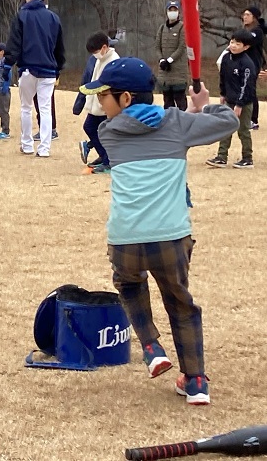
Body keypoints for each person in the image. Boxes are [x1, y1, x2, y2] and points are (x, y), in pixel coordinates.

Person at [79, 57, 239, 405]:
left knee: (129, 283)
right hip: (171, 236)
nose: (99, 103)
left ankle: (151, 345)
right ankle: (196, 382)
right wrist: (201, 106)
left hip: (126, 239)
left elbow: (142, 126)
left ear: (124, 99)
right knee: (181, 303)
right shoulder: (178, 123)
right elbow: (228, 122)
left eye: (104, 95)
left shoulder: (108, 132)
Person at [4, 0, 65, 158]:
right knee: (45, 109)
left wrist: (8, 64)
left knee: (26, 107)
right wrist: (59, 67)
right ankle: (45, 148)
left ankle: (27, 144)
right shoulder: (53, 18)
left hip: (28, 68)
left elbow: (15, 43)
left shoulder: (22, 15)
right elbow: (59, 47)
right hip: (48, 69)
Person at [206, 29, 256, 169]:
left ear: (246, 47)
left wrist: (239, 104)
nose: (233, 45)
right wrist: (222, 94)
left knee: (243, 130)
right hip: (229, 99)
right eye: (232, 42)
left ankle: (247, 158)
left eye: (237, 43)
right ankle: (221, 157)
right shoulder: (226, 58)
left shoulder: (247, 64)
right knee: (225, 128)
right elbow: (223, 77)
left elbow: (247, 85)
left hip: (244, 103)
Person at [74, 31, 119, 172]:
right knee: (90, 127)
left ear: (104, 47)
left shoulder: (113, 60)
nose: (95, 54)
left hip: (105, 105)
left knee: (101, 131)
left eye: (96, 51)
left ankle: (108, 160)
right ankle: (104, 156)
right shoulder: (101, 59)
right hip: (96, 103)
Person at [155, 1, 188, 110]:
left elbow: (181, 47)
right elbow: (157, 46)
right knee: (167, 102)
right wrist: (161, 60)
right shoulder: (162, 28)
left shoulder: (182, 27)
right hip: (164, 73)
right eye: (170, 10)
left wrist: (169, 60)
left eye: (175, 10)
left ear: (178, 12)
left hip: (178, 72)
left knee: (180, 102)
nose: (172, 12)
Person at [241, 6, 265, 130]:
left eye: (248, 15)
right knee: (242, 89)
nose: (245, 17)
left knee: (250, 90)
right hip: (242, 63)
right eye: (244, 14)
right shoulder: (244, 29)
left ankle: (253, 119)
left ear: (254, 17)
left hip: (253, 64)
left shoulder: (258, 31)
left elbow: (248, 41)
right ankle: (243, 117)